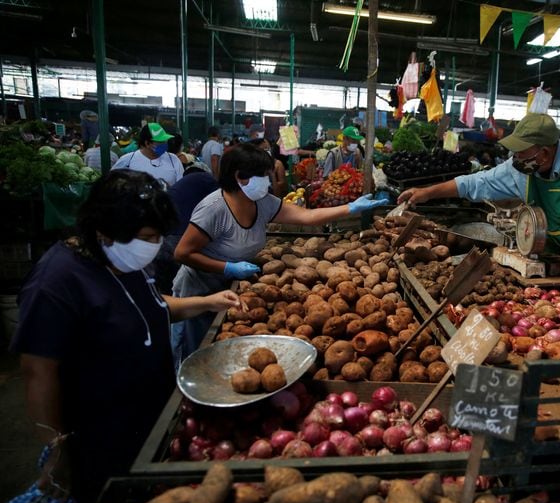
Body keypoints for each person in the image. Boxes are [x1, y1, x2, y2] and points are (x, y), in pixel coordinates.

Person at [2, 170, 241, 503]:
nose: (155, 244)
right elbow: (39, 372)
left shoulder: (120, 259)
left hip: (145, 419)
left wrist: (205, 302)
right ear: (103, 231)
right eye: (147, 236)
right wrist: (56, 448)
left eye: (158, 235)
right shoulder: (56, 283)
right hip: (97, 433)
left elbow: (148, 306)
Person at [172, 143, 388, 361]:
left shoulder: (261, 202)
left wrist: (349, 208)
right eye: (263, 176)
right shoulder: (214, 209)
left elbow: (305, 216)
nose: (268, 181)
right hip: (201, 291)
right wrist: (226, 268)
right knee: (199, 353)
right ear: (241, 177)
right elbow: (182, 253)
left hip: (235, 289)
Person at [398, 113, 560, 271]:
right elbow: (476, 183)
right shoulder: (520, 168)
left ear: (545, 152)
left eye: (522, 152)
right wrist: (428, 192)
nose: (516, 158)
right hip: (557, 259)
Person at [152, 163, 220, 293]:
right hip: (179, 236)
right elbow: (222, 207)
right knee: (183, 281)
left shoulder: (182, 186)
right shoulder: (207, 179)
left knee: (164, 284)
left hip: (163, 236)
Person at [113, 123, 184, 187]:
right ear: (147, 143)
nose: (165, 144)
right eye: (160, 142)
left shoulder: (173, 160)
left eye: (165, 141)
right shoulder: (127, 161)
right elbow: (112, 184)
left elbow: (181, 186)